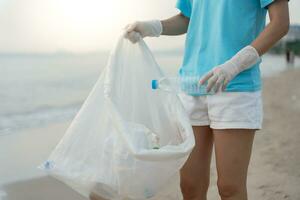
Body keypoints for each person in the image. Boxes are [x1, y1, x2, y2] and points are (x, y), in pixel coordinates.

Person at [124, 0, 290, 200]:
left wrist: (236, 64)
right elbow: (187, 18)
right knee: (190, 186)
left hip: (235, 88)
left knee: (229, 188)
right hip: (191, 87)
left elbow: (280, 23)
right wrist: (153, 27)